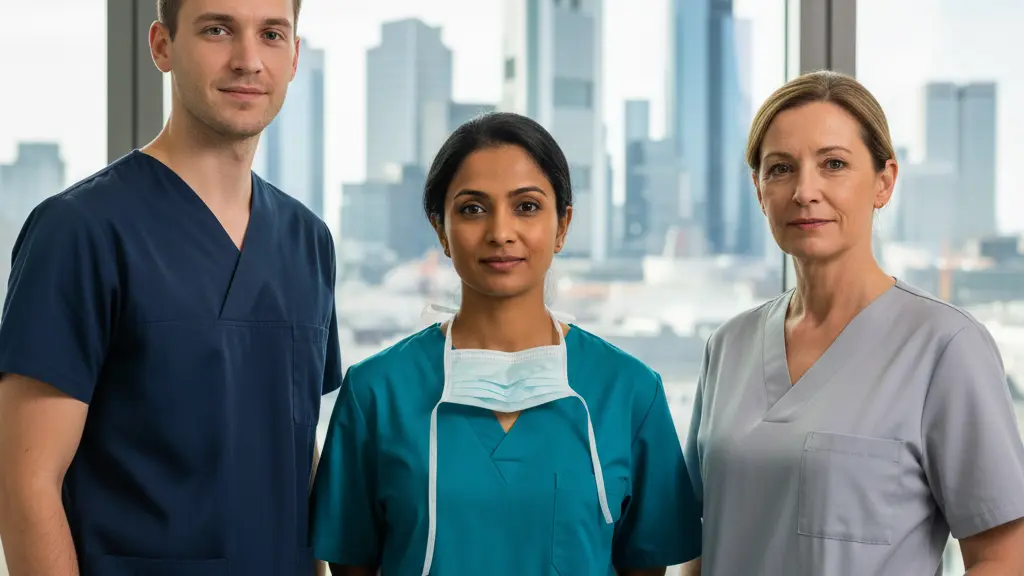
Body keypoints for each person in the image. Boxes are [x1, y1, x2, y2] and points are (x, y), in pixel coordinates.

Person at [0, 0, 340, 575]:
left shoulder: (308, 240)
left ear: (294, 57)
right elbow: (25, 484)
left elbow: (294, 448)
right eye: (217, 30)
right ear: (162, 46)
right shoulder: (80, 231)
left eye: (271, 34)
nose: (248, 59)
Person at [309, 112, 702, 576]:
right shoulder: (375, 394)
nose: (500, 232)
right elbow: (351, 565)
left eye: (527, 206)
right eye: (472, 209)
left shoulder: (630, 393)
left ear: (562, 225)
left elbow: (647, 566)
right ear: (441, 229)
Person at [681, 70, 1024, 576]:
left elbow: (1004, 557)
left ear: (884, 182)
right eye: (781, 169)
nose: (805, 191)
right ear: (758, 190)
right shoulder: (729, 345)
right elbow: (700, 539)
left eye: (834, 164)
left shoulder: (945, 346)